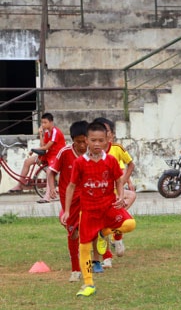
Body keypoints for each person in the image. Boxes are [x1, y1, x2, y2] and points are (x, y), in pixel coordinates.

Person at [61, 122, 136, 297]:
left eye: (100, 140)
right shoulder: (80, 163)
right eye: (93, 140)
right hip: (88, 211)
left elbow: (118, 178)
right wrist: (66, 210)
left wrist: (119, 194)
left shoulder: (110, 160)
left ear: (106, 141)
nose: (96, 144)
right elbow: (71, 186)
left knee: (130, 224)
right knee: (85, 247)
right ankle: (88, 284)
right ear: (86, 140)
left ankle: (103, 233)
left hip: (108, 207)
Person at [47, 120, 88, 282]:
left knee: (87, 233)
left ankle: (90, 266)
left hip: (87, 198)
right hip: (69, 201)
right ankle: (75, 269)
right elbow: (51, 172)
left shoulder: (93, 153)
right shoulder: (64, 153)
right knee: (74, 234)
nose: (82, 145)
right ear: (73, 141)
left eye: (84, 141)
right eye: (78, 142)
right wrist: (51, 188)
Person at [92, 117, 136, 270]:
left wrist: (124, 181)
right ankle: (106, 258)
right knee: (101, 225)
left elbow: (130, 165)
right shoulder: (91, 153)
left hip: (115, 194)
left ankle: (116, 235)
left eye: (106, 132)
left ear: (110, 134)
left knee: (130, 200)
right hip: (99, 197)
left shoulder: (116, 149)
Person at [10, 113, 66, 202]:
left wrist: (33, 149)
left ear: (51, 122)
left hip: (57, 156)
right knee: (27, 161)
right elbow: (43, 145)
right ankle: (20, 185)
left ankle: (47, 196)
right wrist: (40, 134)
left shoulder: (55, 132)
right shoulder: (47, 132)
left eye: (45, 122)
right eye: (42, 123)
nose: (43, 125)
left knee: (49, 172)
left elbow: (46, 147)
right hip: (49, 155)